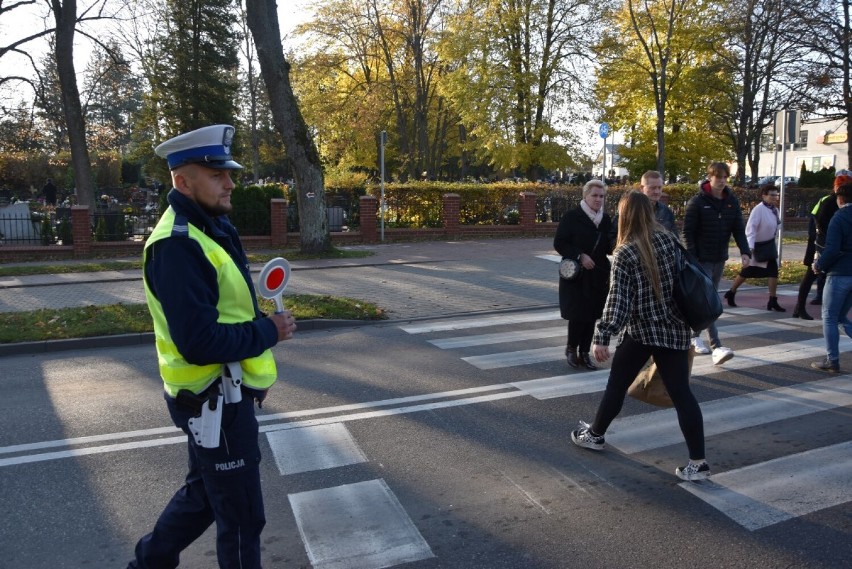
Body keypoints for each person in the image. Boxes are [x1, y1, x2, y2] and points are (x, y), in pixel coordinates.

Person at [128, 125, 297, 569]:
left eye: (229, 173)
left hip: (220, 397)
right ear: (183, 182)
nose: (231, 183)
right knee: (242, 519)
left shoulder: (210, 225)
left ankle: (147, 563)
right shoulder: (178, 245)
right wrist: (268, 332)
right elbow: (199, 341)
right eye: (216, 173)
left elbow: (223, 312)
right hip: (214, 400)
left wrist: (260, 326)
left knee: (204, 496)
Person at [571, 191, 710, 481]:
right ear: (649, 213)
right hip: (674, 328)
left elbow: (619, 299)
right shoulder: (669, 240)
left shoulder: (626, 252)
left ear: (624, 217)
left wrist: (603, 335)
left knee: (617, 385)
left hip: (642, 331)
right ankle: (698, 462)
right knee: (682, 394)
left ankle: (595, 435)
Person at [682, 161, 751, 365]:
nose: (721, 181)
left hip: (719, 257)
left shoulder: (731, 201)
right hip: (701, 259)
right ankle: (716, 346)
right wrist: (693, 256)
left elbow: (738, 228)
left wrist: (745, 251)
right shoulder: (697, 202)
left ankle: (693, 336)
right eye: (717, 177)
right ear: (709, 177)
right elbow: (688, 232)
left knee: (705, 300)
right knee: (710, 300)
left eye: (724, 177)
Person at [554, 179, 614, 370]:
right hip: (577, 274)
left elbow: (610, 246)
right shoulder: (572, 216)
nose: (598, 199)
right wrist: (580, 255)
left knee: (592, 315)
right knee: (577, 314)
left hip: (597, 273)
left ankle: (584, 353)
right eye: (594, 195)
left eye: (602, 196)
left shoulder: (606, 220)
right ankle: (571, 349)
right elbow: (560, 243)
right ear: (585, 196)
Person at [792, 170, 852, 319]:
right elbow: (817, 223)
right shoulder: (828, 201)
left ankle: (812, 302)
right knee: (811, 275)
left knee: (820, 276)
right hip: (820, 244)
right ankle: (800, 307)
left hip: (831, 244)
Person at [810, 181, 852, 373]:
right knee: (842, 316)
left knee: (829, 316)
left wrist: (819, 265)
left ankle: (832, 360)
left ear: (840, 198)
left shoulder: (839, 218)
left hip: (839, 274)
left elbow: (832, 249)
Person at [723, 185, 785, 311]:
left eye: (776, 195)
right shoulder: (759, 210)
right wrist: (749, 248)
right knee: (747, 272)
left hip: (768, 246)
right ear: (764, 196)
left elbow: (775, 226)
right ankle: (731, 292)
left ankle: (772, 300)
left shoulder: (774, 210)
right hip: (757, 246)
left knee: (773, 272)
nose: (774, 197)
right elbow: (751, 229)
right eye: (771, 195)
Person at [609, 170, 678, 242]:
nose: (657, 191)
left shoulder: (666, 212)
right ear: (642, 188)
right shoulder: (630, 210)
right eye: (653, 188)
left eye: (659, 187)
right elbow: (613, 238)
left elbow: (675, 239)